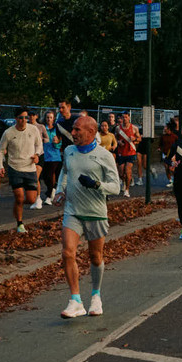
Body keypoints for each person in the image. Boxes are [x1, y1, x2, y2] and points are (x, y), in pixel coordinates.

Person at [55, 115, 120, 318]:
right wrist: (60, 190)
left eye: (77, 130)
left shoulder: (104, 156)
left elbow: (116, 187)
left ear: (91, 132)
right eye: (73, 129)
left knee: (95, 256)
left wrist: (97, 185)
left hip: (96, 213)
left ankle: (96, 296)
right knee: (67, 253)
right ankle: (75, 300)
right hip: (72, 211)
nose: (72, 133)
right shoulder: (69, 151)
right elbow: (65, 172)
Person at [0, 107, 45, 233]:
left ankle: (17, 206)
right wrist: (0, 166)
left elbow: (39, 146)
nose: (23, 120)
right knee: (19, 197)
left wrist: (37, 155)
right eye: (21, 118)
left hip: (30, 168)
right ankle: (19, 223)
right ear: (16, 119)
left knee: (31, 199)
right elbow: (1, 150)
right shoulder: (8, 133)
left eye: (25, 117)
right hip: (15, 167)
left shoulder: (33, 129)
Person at [39, 110, 63, 206]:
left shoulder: (56, 129)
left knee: (50, 175)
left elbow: (60, 142)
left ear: (53, 119)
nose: (49, 119)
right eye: (47, 117)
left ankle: (49, 196)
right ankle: (53, 189)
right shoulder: (42, 128)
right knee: (45, 176)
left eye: (51, 117)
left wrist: (56, 142)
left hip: (54, 156)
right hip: (44, 155)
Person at [113, 113, 138, 196]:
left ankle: (127, 190)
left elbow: (139, 138)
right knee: (121, 173)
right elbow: (115, 138)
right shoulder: (118, 128)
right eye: (123, 117)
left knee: (127, 171)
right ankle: (124, 181)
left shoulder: (134, 128)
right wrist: (118, 141)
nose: (124, 119)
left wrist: (135, 138)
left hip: (130, 151)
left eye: (126, 117)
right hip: (121, 152)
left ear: (129, 118)